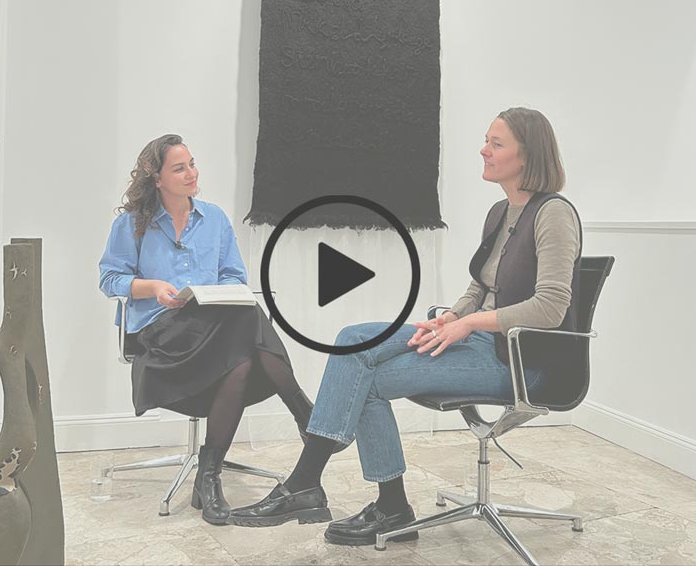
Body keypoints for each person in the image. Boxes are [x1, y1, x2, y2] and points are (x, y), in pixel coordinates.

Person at [227, 107, 583, 546]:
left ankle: (349, 495)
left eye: (496, 144)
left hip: (520, 362)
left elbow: (551, 307)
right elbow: (481, 285)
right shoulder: (501, 212)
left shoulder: (554, 213)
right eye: (486, 141)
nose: (483, 150)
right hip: (481, 341)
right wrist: (451, 317)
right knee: (353, 339)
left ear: (527, 155)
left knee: (368, 380)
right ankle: (331, 491)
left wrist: (468, 323)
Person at [98, 134, 341, 525]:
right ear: (157, 178)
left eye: (192, 164)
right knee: (248, 323)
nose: (192, 174)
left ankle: (208, 477)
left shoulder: (214, 219)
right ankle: (307, 417)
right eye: (180, 168)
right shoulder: (131, 224)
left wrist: (216, 293)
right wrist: (153, 287)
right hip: (161, 333)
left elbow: (233, 276)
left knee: (240, 355)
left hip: (213, 327)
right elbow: (110, 278)